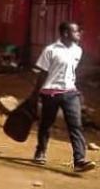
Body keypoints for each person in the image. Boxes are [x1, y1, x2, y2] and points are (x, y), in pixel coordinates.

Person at [31, 21, 96, 172]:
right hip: (50, 93)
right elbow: (42, 73)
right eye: (76, 31)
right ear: (66, 33)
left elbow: (72, 72)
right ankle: (40, 150)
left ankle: (79, 160)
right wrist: (35, 94)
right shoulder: (50, 50)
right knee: (46, 124)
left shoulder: (78, 51)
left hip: (70, 93)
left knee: (76, 126)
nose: (79, 33)